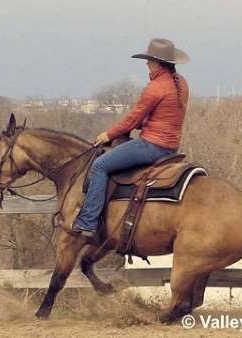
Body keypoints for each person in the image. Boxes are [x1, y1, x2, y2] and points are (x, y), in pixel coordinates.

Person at [72, 38, 190, 237]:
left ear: (157, 62)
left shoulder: (156, 87)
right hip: (171, 147)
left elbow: (133, 119)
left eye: (148, 60)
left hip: (152, 146)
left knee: (100, 165)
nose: (146, 64)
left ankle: (87, 222)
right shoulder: (181, 83)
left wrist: (108, 134)